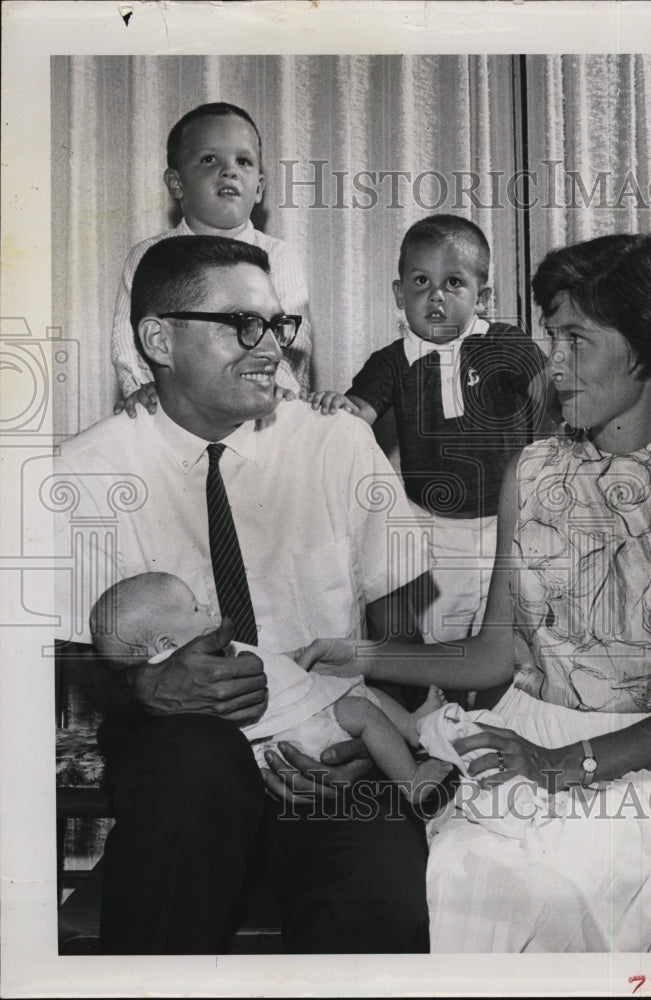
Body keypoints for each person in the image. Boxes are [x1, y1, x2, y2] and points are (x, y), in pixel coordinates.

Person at [302, 232, 651, 952]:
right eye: (550, 335)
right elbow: (492, 654)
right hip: (524, 739)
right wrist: (352, 653)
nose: (553, 361)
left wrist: (560, 768)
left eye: (575, 337)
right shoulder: (533, 471)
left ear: (650, 343)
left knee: (554, 890)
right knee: (461, 877)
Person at [53, 234, 431, 954]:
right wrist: (148, 691)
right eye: (242, 326)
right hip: (184, 774)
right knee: (191, 761)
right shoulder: (83, 474)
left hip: (332, 758)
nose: (273, 350)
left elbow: (406, 630)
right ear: (159, 339)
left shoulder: (338, 445)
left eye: (278, 325)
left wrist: (364, 743)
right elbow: (77, 662)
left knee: (385, 905)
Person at [309, 214, 551, 644]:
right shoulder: (391, 360)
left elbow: (555, 397)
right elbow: (358, 413)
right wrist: (336, 406)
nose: (436, 296)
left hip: (514, 524)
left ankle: (506, 707)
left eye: (454, 283)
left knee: (520, 636)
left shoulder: (506, 343)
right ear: (400, 294)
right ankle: (442, 707)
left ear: (483, 297)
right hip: (434, 530)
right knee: (442, 636)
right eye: (421, 281)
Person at [90, 572, 451, 806]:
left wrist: (296, 660)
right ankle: (413, 779)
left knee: (357, 689)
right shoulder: (190, 666)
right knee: (363, 708)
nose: (208, 608)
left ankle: (412, 728)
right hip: (291, 736)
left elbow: (264, 667)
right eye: (196, 607)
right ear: (166, 642)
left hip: (271, 745)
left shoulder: (191, 658)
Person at [110, 102, 312, 412]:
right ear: (177, 183)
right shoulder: (148, 256)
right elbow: (127, 338)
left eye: (243, 161)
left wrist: (278, 388)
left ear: (258, 188)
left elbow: (294, 341)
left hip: (260, 406)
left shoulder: (279, 256)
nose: (229, 170)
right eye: (209, 159)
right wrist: (140, 386)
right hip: (173, 410)